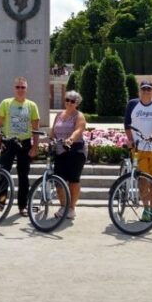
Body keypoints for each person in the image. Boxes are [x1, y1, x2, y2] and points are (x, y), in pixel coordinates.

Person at [0, 76, 41, 216]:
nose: (20, 90)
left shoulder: (32, 105)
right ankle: (1, 202)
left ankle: (23, 206)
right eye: (18, 87)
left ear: (26, 89)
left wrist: (35, 146)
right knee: (3, 173)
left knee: (23, 176)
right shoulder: (6, 103)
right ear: (14, 88)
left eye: (23, 87)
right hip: (8, 142)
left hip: (25, 143)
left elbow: (36, 129)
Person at [124, 80, 152, 222]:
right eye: (144, 89)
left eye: (149, 89)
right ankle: (146, 209)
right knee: (143, 179)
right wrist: (130, 140)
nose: (146, 91)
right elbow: (127, 125)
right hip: (139, 148)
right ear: (139, 91)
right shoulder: (132, 104)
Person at [49, 90, 87, 219]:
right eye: (67, 100)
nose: (69, 103)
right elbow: (53, 130)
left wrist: (71, 139)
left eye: (73, 101)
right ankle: (63, 206)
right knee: (58, 180)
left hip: (75, 149)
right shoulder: (59, 114)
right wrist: (52, 139)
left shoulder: (79, 115)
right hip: (60, 149)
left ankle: (71, 208)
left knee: (73, 180)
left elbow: (79, 130)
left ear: (77, 103)